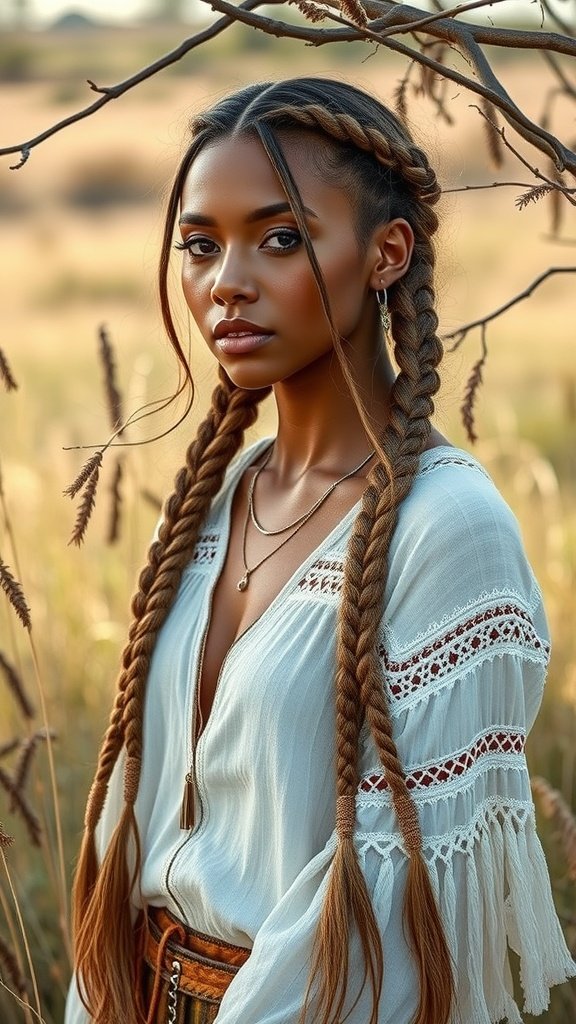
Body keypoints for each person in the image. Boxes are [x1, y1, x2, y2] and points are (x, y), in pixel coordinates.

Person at [65, 77, 575, 1024]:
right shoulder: (216, 500)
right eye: (200, 245)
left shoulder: (447, 531)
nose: (227, 283)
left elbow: (387, 917)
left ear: (386, 254)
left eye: (282, 237)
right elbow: (122, 838)